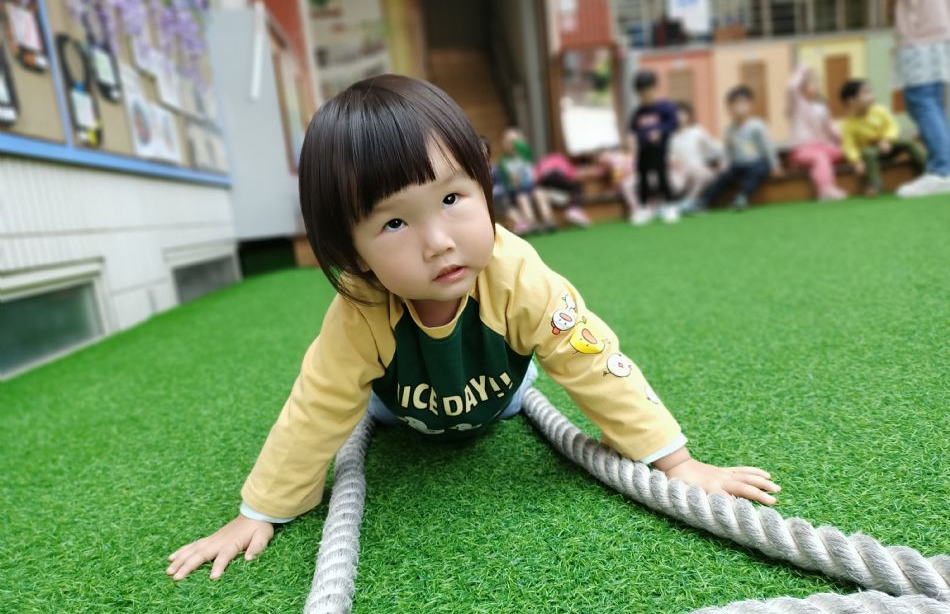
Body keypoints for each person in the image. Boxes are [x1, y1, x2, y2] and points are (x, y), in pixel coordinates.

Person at [166, 75, 780, 581]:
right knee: (357, 405)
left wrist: (676, 463)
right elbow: (317, 406)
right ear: (354, 255)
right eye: (394, 224)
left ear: (483, 189)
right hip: (397, 410)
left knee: (543, 374)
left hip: (501, 398)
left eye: (452, 199)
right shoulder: (360, 310)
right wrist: (260, 511)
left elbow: (593, 360)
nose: (438, 242)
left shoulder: (520, 278)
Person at [881, 0, 950, 198]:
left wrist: (889, 10)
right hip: (942, 27)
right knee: (933, 101)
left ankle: (942, 171)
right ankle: (941, 167)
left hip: (919, 30)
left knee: (922, 101)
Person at [688, 85, 783, 212]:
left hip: (757, 162)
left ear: (750, 105)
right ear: (729, 109)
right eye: (734, 104)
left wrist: (775, 166)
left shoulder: (757, 126)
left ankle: (743, 197)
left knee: (756, 173)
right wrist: (725, 164)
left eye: (742, 103)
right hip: (738, 165)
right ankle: (703, 201)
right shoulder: (729, 129)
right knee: (722, 178)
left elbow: (768, 147)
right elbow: (727, 151)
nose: (738, 108)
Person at [838, 79, 926, 197]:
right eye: (865, 93)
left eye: (871, 92)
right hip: (871, 154)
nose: (871, 96)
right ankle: (874, 184)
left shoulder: (880, 110)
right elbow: (849, 145)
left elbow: (892, 126)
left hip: (888, 146)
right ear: (851, 102)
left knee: (908, 143)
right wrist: (856, 161)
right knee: (868, 152)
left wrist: (887, 140)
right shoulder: (848, 124)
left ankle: (927, 170)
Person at [786, 66, 848, 201]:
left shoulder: (821, 107)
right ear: (802, 87)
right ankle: (826, 188)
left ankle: (824, 185)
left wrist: (841, 138)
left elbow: (830, 128)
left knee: (838, 152)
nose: (816, 85)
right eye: (812, 82)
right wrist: (802, 71)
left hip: (821, 147)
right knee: (820, 158)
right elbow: (791, 87)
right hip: (801, 149)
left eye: (817, 82)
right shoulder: (797, 105)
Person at [629, 70, 680, 223]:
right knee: (642, 178)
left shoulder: (666, 107)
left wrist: (660, 132)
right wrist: (636, 139)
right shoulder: (639, 111)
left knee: (662, 176)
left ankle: (670, 206)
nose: (644, 96)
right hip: (643, 150)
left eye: (646, 92)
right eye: (640, 93)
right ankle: (644, 208)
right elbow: (633, 129)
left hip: (659, 150)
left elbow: (673, 123)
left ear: (654, 88)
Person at [497, 128, 557, 233]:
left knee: (539, 194)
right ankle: (532, 223)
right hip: (516, 191)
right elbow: (506, 183)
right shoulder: (503, 162)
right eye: (508, 142)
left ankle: (548, 221)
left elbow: (524, 147)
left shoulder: (525, 155)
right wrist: (513, 182)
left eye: (514, 142)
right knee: (522, 198)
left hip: (531, 187)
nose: (512, 145)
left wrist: (516, 140)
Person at [668, 101, 722, 212]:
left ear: (688, 115)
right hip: (682, 172)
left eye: (682, 113)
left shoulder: (697, 131)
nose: (679, 117)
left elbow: (714, 148)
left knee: (700, 174)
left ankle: (689, 201)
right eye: (676, 114)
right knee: (670, 181)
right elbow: (670, 155)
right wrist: (672, 160)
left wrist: (713, 161)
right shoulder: (671, 136)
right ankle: (667, 205)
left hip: (700, 170)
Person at [481, 135, 532, 235]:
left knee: (508, 201)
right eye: (480, 149)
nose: (483, 151)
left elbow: (503, 183)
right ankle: (520, 223)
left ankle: (523, 224)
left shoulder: (494, 167)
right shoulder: (477, 170)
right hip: (491, 198)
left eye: (485, 148)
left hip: (503, 195)